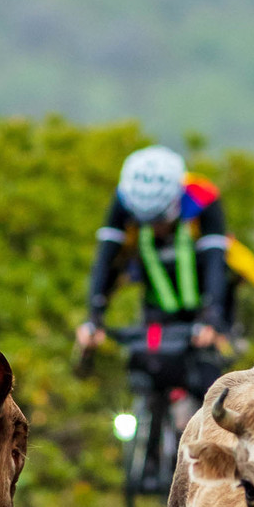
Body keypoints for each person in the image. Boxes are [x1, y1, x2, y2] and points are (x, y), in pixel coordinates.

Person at [75, 146, 232, 357]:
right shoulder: (124, 196)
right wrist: (94, 317)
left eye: (160, 219)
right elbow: (106, 259)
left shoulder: (201, 195)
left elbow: (216, 261)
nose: (155, 227)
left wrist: (213, 317)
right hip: (156, 301)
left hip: (201, 287)